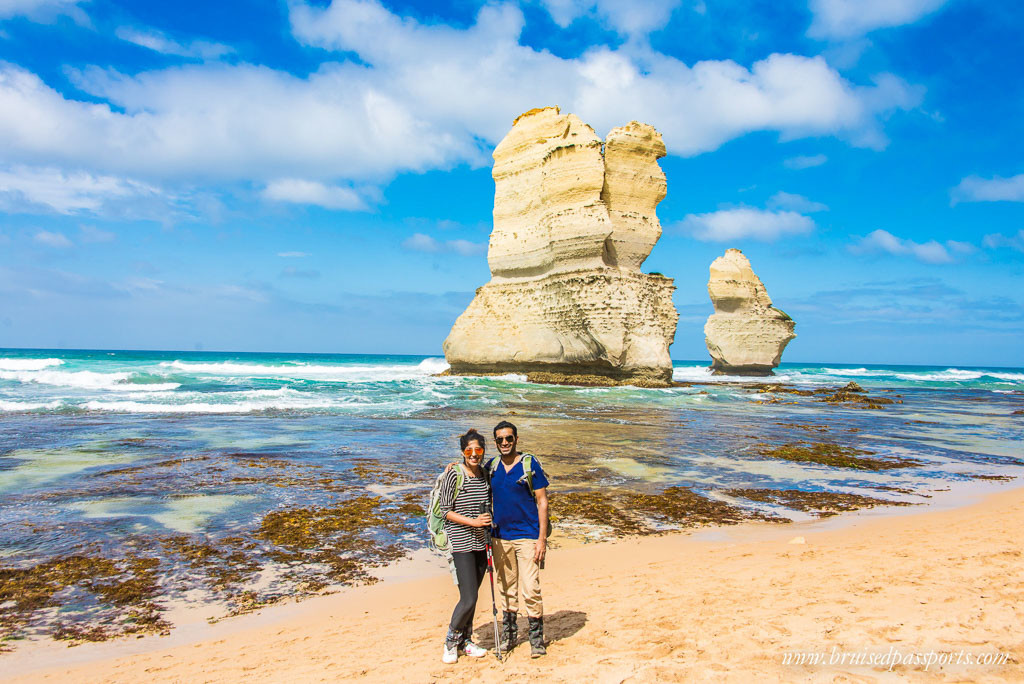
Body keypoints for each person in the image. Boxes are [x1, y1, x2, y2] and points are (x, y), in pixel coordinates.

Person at [488, 420, 550, 658]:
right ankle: (510, 636)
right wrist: (456, 465)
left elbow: (542, 501)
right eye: (500, 439)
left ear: (516, 439)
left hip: (528, 537)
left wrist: (541, 539)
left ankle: (536, 639)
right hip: (500, 537)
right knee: (505, 589)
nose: (505, 443)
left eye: (509, 438)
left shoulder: (529, 464)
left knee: (531, 588)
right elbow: (472, 475)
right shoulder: (491, 467)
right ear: (495, 442)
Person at [437, 429, 493, 664]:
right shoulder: (454, 474)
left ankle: (466, 641)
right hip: (461, 543)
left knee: (472, 595)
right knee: (468, 598)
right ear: (462, 452)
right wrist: (473, 522)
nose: (473, 454)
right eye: (468, 450)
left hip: (482, 542)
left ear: (483, 451)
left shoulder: (485, 474)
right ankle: (450, 641)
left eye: (478, 450)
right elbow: (445, 510)